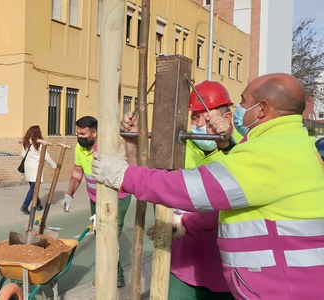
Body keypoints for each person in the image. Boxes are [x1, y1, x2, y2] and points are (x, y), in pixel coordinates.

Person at [93, 73, 324, 300]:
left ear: (261, 109)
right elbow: (237, 208)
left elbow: (188, 190)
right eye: (195, 117)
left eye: (244, 102)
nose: (201, 125)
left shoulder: (263, 154)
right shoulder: (298, 146)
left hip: (278, 287)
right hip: (257, 280)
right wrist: (184, 225)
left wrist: (124, 175)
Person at [121, 81, 235, 300]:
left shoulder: (239, 155)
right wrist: (132, 143)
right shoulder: (178, 149)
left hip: (226, 274)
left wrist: (183, 224)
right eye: (195, 117)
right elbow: (145, 180)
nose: (200, 123)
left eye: (207, 116)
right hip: (180, 270)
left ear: (227, 118)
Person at [60, 116, 132, 288]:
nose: (79, 137)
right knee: (101, 237)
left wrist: (104, 210)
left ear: (94, 133)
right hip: (94, 199)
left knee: (109, 236)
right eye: (77, 133)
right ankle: (114, 276)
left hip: (116, 199)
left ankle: (112, 278)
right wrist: (69, 194)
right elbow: (78, 171)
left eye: (83, 134)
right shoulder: (80, 148)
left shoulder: (107, 148)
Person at [19, 125, 57, 215]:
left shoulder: (26, 142)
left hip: (28, 168)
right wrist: (55, 165)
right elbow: (46, 156)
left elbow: (23, 155)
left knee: (34, 187)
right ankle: (25, 206)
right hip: (36, 169)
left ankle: (38, 205)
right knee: (34, 188)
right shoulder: (39, 143)